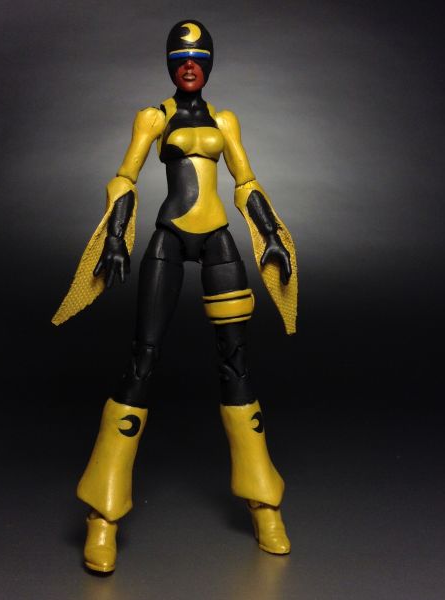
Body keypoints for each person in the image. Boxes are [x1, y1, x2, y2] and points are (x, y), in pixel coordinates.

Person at [52, 20, 298, 573]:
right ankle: (103, 512)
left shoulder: (226, 120)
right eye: (181, 57)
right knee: (143, 359)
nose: (190, 65)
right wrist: (116, 235)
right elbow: (125, 177)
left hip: (219, 240)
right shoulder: (154, 117)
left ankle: (264, 503)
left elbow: (245, 182)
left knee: (236, 363)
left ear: (210, 64)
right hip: (168, 237)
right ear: (169, 63)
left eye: (200, 57)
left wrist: (271, 233)